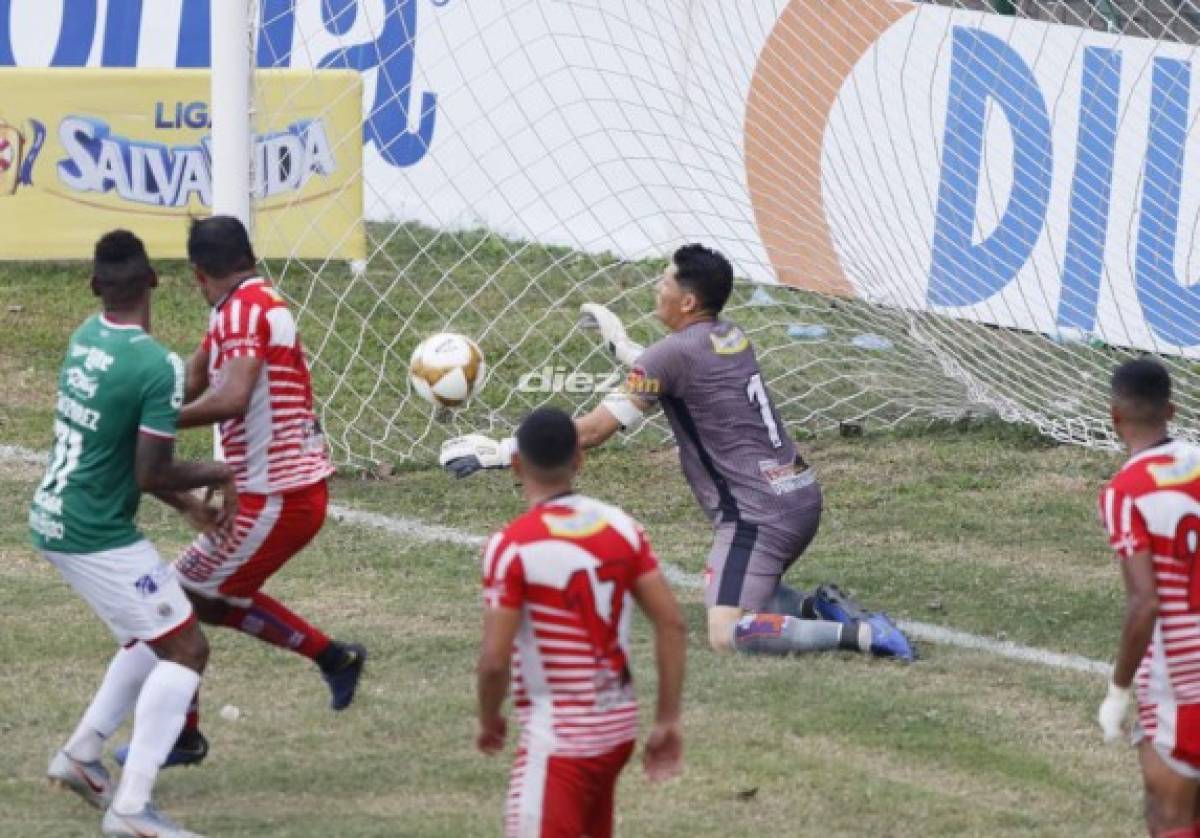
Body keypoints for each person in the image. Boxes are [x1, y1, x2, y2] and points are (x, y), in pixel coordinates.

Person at [443, 244, 913, 661]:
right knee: (747, 596)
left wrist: (502, 450)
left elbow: (592, 432)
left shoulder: (669, 358)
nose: (657, 285)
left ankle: (864, 637)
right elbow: (676, 372)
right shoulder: (729, 335)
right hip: (798, 495)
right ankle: (818, 605)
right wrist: (624, 347)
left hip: (758, 517)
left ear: (687, 301)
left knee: (727, 632)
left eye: (664, 280)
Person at [121, 216, 365, 769]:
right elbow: (198, 378)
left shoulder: (246, 310)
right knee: (206, 600)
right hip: (280, 493)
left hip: (276, 496)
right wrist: (143, 402)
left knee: (173, 602)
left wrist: (153, 422)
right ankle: (333, 657)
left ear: (198, 273)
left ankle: (182, 735)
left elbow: (230, 399)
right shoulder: (244, 305)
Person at [32, 229, 235, 837]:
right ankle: (131, 809)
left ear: (95, 287)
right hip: (94, 532)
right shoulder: (156, 365)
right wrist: (222, 470)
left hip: (58, 515)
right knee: (187, 648)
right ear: (154, 282)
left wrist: (184, 505)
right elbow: (150, 469)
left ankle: (81, 756)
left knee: (155, 636)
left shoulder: (85, 337)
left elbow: (124, 452)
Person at [476, 407, 687, 837]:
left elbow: (494, 661)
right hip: (617, 730)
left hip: (559, 741)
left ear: (517, 463)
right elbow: (672, 624)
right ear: (580, 459)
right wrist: (666, 720)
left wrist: (489, 717)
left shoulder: (512, 545)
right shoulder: (621, 527)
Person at [1097, 358, 1200, 838]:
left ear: (1115, 417)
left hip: (1182, 685)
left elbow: (1146, 603)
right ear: (1173, 410)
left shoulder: (1125, 492)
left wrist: (1119, 692)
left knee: (1169, 817)